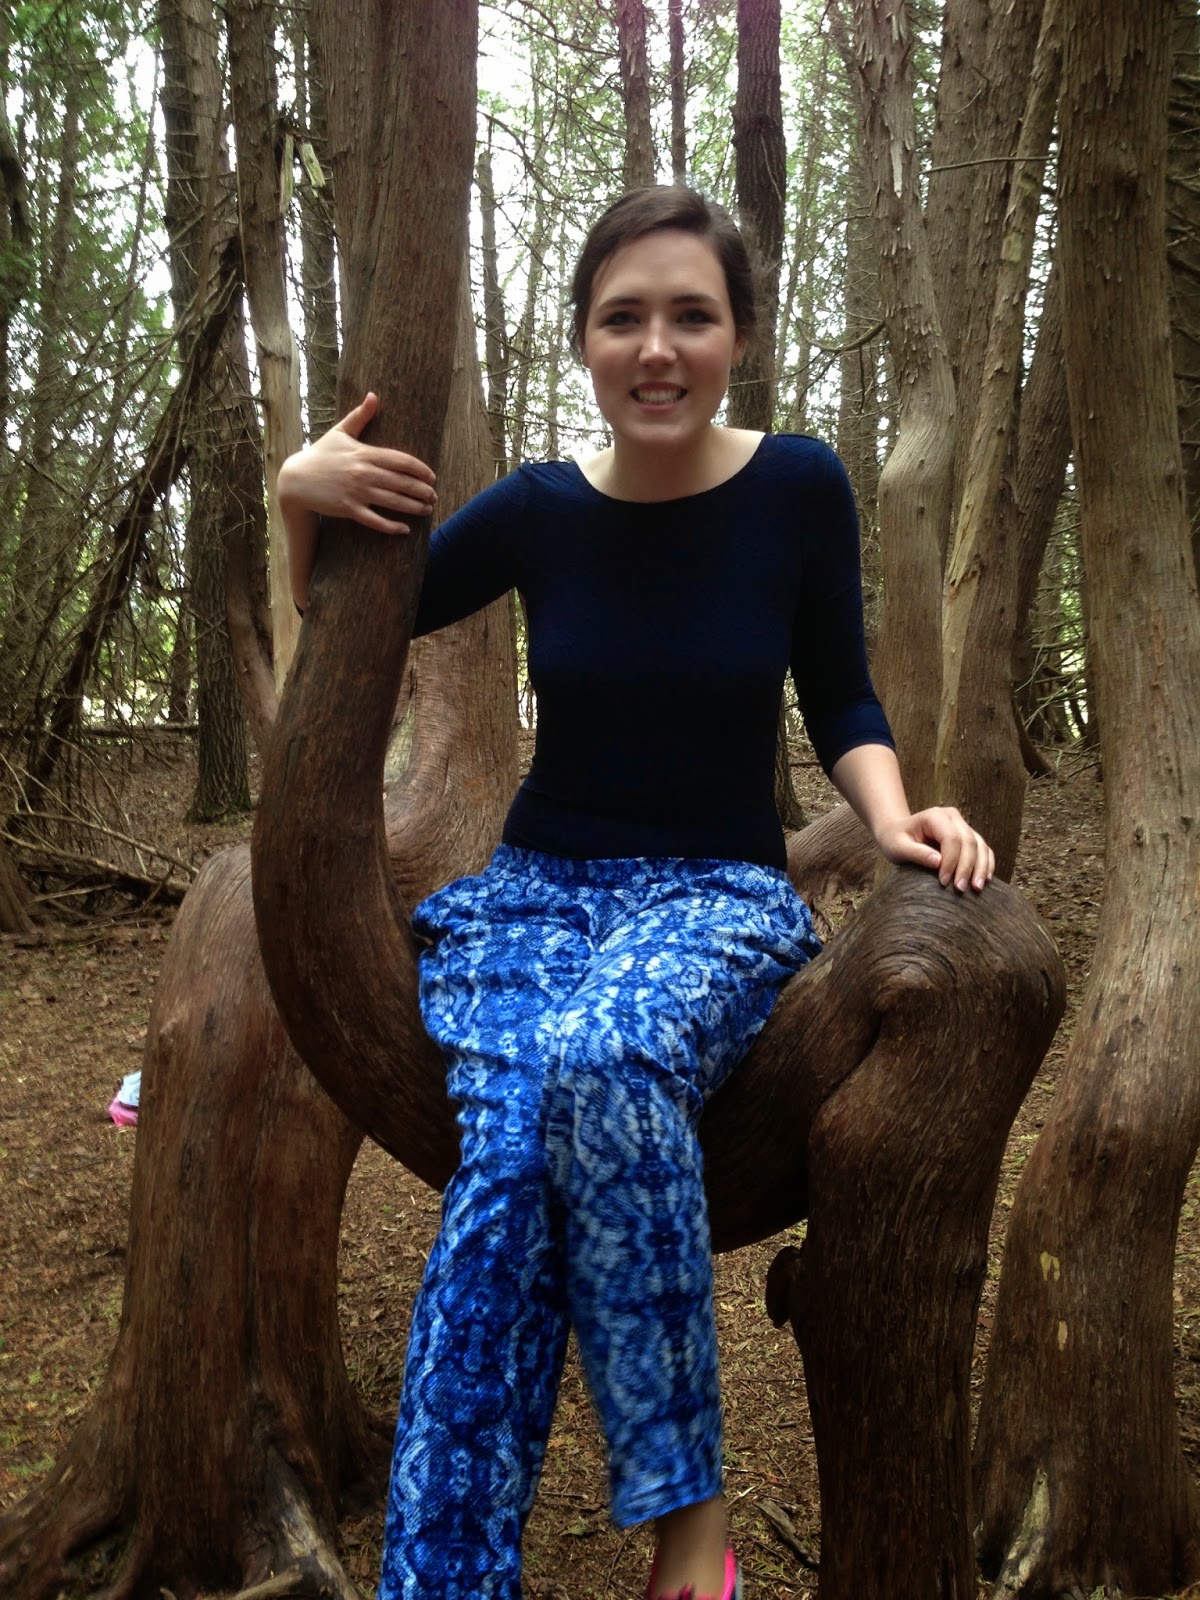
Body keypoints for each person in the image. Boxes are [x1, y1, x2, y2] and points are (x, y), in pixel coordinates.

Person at [278, 185, 994, 1600]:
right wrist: (293, 495)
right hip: (531, 899)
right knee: (503, 1177)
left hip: (716, 896)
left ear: (738, 338)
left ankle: (691, 1531)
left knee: (602, 1061)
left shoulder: (799, 487)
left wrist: (895, 814)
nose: (656, 348)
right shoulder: (538, 509)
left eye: (690, 316)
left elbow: (841, 693)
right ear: (585, 342)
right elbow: (348, 621)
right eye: (623, 318)